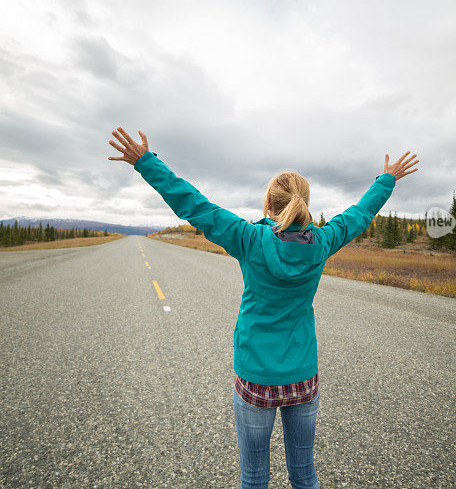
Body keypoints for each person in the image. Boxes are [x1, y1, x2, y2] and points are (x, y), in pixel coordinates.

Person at [107, 127, 418, 488]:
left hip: (256, 375)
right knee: (304, 473)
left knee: (254, 476)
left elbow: (194, 205)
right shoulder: (324, 241)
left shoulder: (249, 239)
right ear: (305, 203)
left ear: (268, 204)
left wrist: (146, 163)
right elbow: (360, 214)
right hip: (302, 374)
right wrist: (387, 179)